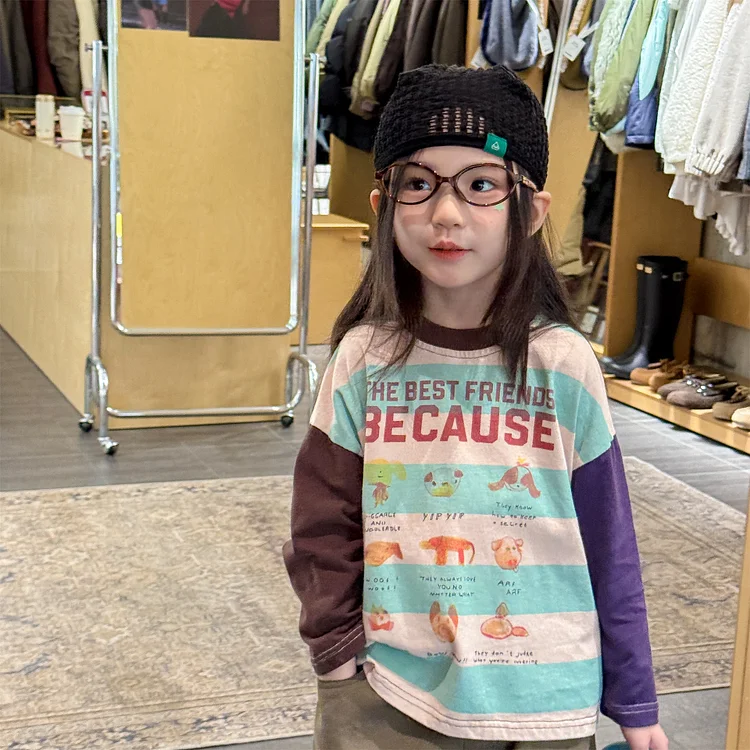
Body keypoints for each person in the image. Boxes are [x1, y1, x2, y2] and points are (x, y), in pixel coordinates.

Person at [283, 64, 669, 750]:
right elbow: (321, 525)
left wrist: (636, 704)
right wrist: (337, 656)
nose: (447, 213)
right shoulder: (363, 358)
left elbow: (610, 544)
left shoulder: (564, 363)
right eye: (418, 183)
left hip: (549, 702)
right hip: (388, 696)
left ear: (532, 212)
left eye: (482, 184)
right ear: (382, 205)